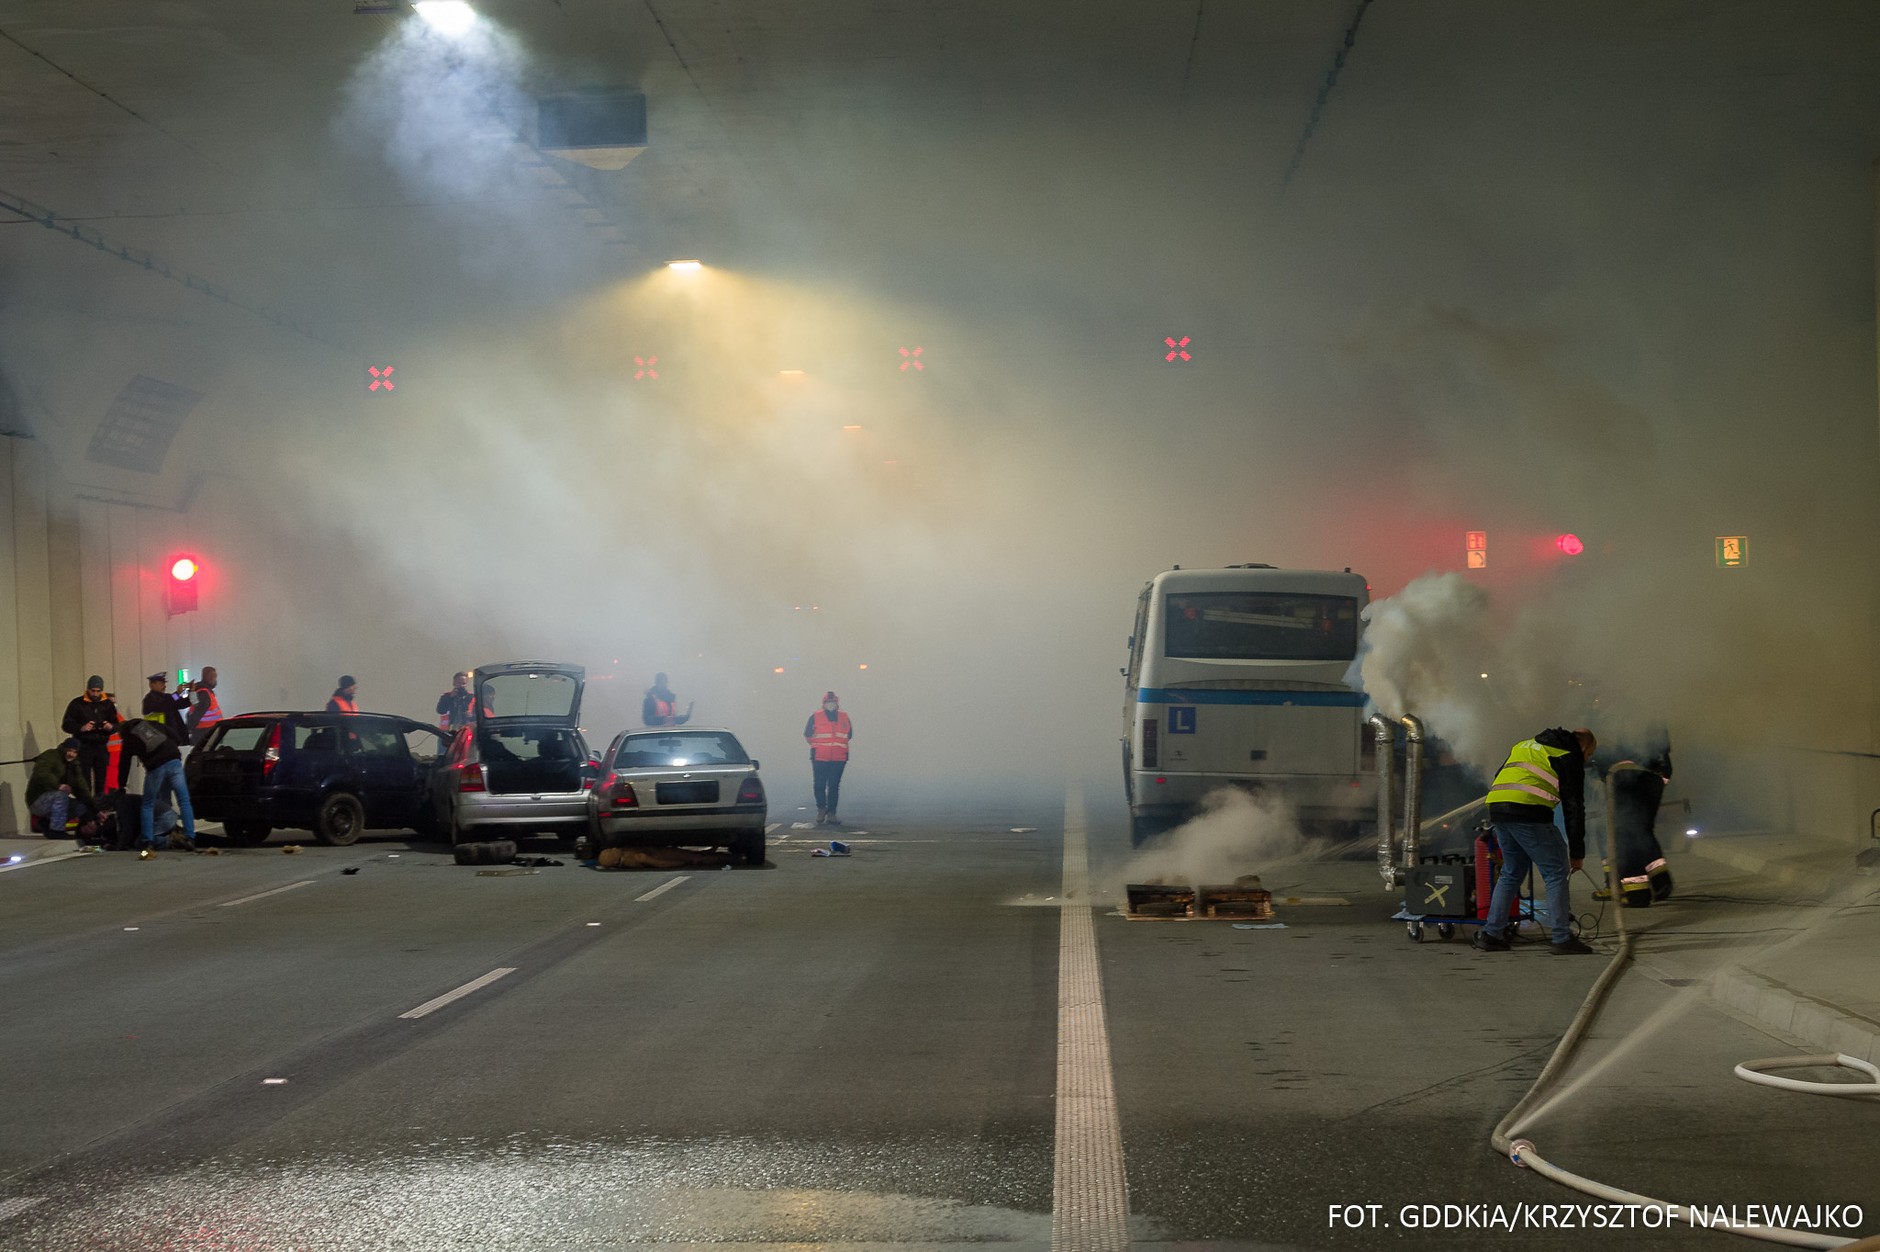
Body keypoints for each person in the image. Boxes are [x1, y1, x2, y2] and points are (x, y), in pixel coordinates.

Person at [1473, 727, 1597, 955]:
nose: (1587, 760)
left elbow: (1500, 775)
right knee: (1556, 872)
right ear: (1584, 747)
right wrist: (1577, 852)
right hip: (1529, 813)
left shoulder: (1525, 745)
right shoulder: (1568, 755)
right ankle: (1562, 938)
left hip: (1498, 810)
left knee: (1511, 872)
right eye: (1589, 755)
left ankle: (1491, 934)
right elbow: (1574, 807)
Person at [1608, 728, 1675, 907]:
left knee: (1625, 831)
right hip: (1657, 775)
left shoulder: (1620, 721)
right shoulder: (1649, 718)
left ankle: (1637, 894)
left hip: (1630, 775)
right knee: (1642, 830)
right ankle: (1661, 881)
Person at [115, 716, 197, 851]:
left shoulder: (129, 738)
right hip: (174, 760)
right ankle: (190, 837)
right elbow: (176, 737)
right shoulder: (152, 724)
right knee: (184, 801)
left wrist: (121, 784)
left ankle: (148, 841)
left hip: (156, 766)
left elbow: (124, 763)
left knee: (148, 804)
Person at [60, 675, 121, 796]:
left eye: (98, 691)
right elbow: (66, 725)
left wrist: (111, 727)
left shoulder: (107, 705)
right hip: (84, 746)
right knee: (84, 781)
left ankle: (99, 804)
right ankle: (87, 804)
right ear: (88, 689)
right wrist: (81, 728)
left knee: (101, 781)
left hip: (101, 746)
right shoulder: (77, 704)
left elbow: (117, 724)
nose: (95, 694)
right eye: (93, 690)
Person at [27, 739, 99, 839]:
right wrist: (57, 786)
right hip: (37, 799)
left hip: (54, 799)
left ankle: (46, 823)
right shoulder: (50, 756)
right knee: (60, 796)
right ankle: (56, 831)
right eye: (69, 750)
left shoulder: (74, 765)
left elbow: (80, 786)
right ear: (64, 749)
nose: (71, 754)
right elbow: (41, 774)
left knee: (81, 807)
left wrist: (94, 808)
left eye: (75, 752)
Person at [803, 691, 853, 825]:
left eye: (833, 702)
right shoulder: (815, 717)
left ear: (837, 703)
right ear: (824, 703)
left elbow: (849, 734)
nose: (831, 705)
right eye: (828, 702)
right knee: (819, 785)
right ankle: (821, 808)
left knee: (833, 786)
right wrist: (819, 746)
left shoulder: (844, 717)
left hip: (839, 758)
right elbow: (807, 734)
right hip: (820, 757)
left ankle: (831, 813)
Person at [142, 671, 192, 744]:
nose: (164, 686)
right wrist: (177, 693)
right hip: (162, 737)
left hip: (175, 736)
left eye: (164, 684)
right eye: (161, 684)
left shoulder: (167, 697)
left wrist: (190, 691)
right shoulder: (149, 700)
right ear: (152, 685)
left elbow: (181, 703)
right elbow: (164, 705)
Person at [186, 666, 224, 747]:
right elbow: (198, 712)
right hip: (205, 732)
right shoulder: (204, 693)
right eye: (214, 677)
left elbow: (194, 705)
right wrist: (189, 728)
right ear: (209, 678)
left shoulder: (201, 690)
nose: (215, 680)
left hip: (206, 730)